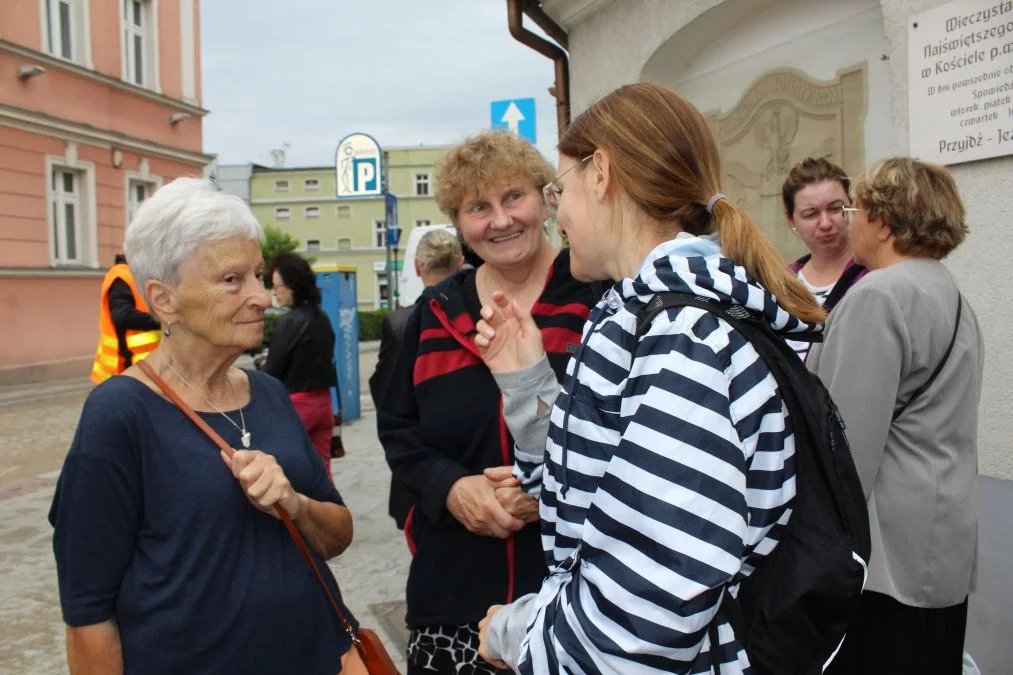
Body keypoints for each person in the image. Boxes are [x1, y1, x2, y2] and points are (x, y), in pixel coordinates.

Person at [471, 82, 826, 674]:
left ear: (601, 173)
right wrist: (527, 381)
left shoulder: (682, 337)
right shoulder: (647, 315)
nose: (556, 211)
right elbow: (594, 491)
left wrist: (514, 634)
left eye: (560, 188)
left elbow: (642, 621)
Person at [49, 177, 364, 675]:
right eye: (232, 280)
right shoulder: (119, 415)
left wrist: (294, 503)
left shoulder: (270, 394)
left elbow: (339, 534)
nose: (261, 296)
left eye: (259, 275)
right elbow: (88, 614)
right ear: (165, 300)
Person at [377, 131, 598, 675]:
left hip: (574, 604)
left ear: (547, 199)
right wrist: (450, 488)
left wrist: (545, 492)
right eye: (479, 207)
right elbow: (399, 431)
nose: (500, 220)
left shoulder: (598, 296)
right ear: (459, 222)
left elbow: (627, 432)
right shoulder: (434, 313)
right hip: (453, 598)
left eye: (513, 197)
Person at [808, 158, 983, 675]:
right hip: (942, 537)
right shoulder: (950, 292)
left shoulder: (880, 295)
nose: (848, 222)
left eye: (854, 209)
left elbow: (842, 449)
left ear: (884, 223)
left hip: (886, 558)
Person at [370, 228, 465, 530]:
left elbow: (385, 393)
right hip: (468, 464)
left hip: (418, 466)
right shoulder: (477, 317)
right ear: (460, 262)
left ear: (417, 267)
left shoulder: (399, 322)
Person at [262, 251, 339, 481]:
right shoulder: (321, 318)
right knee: (322, 472)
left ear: (292, 286)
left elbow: (272, 372)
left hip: (297, 406)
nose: (275, 291)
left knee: (286, 472)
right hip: (324, 403)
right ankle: (327, 514)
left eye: (277, 286)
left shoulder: (289, 322)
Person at [781, 156, 866, 359]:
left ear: (852, 205)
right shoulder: (781, 284)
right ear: (791, 220)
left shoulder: (874, 274)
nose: (826, 223)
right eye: (811, 214)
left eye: (836, 209)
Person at [90, 253, 161, 383]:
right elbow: (122, 316)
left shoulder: (138, 276)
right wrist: (160, 319)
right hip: (126, 365)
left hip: (144, 366)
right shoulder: (121, 277)